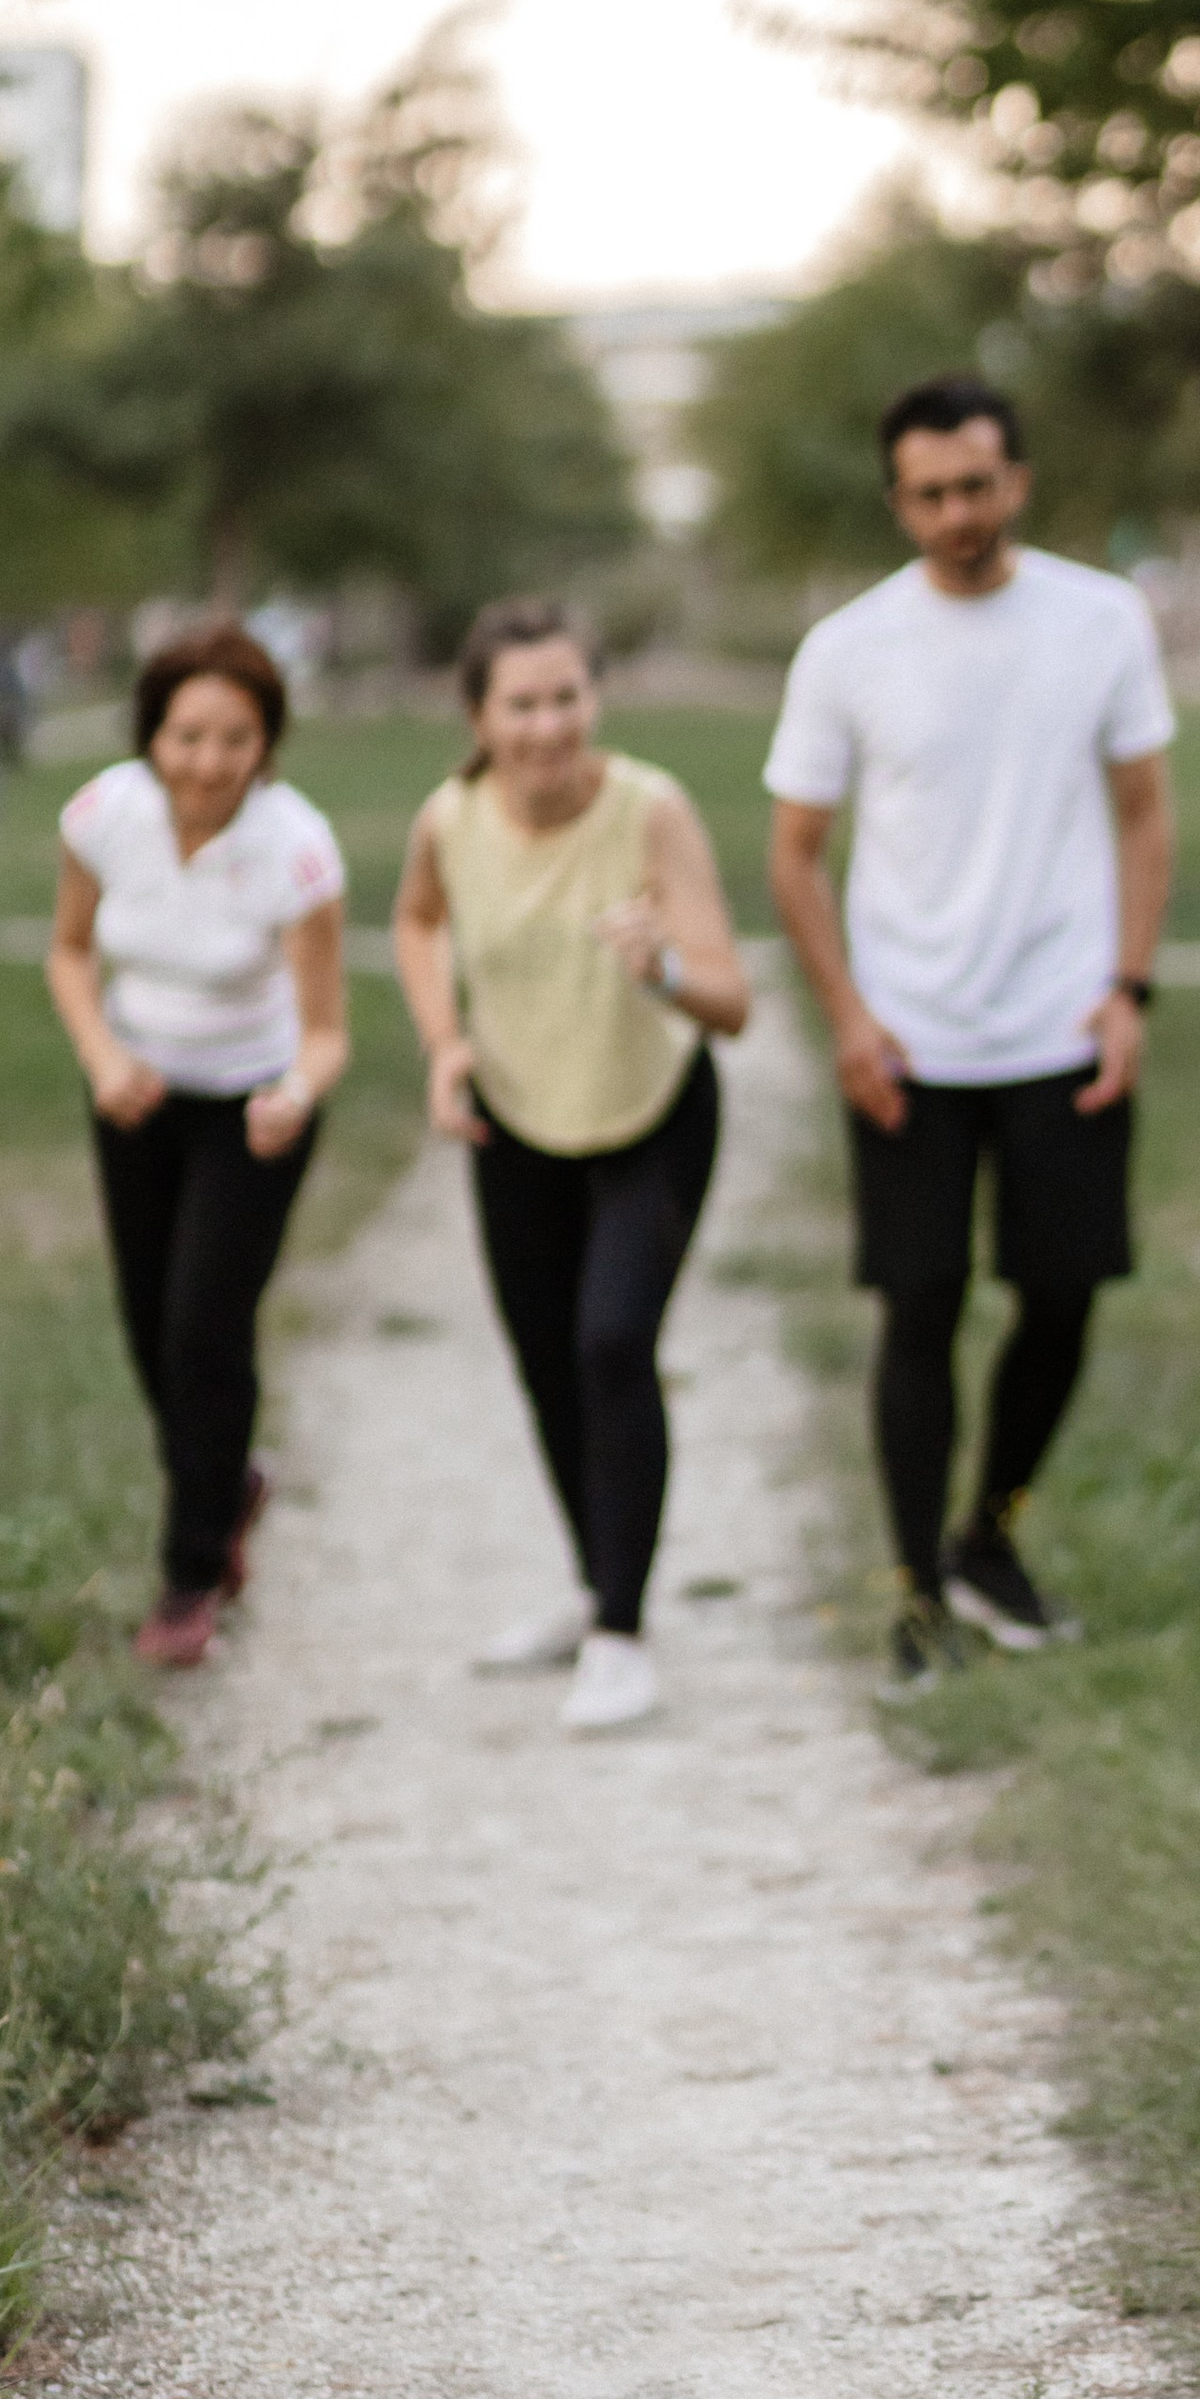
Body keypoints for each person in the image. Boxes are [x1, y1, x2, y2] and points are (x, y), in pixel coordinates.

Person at [765, 374, 1176, 1685]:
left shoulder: (1101, 620)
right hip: (911, 1043)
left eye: (978, 486)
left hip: (1064, 1028)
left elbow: (1145, 811)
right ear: (899, 502)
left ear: (1019, 481)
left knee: (1060, 1299)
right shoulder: (847, 648)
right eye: (932, 493)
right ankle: (914, 1594)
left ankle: (988, 1539)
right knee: (919, 1306)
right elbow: (793, 853)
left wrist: (1128, 990)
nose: (958, 513)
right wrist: (847, 1019)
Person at [393, 601, 748, 1735]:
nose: (547, 725)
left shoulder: (651, 809)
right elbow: (416, 922)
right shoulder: (449, 818)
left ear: (594, 699)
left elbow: (731, 1001)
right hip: (516, 1121)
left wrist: (663, 968)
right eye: (521, 704)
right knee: (548, 1364)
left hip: (651, 1112)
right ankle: (598, 1586)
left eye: (565, 698)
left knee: (611, 1342)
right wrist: (446, 1042)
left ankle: (623, 1638)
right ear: (477, 714)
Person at [47, 623, 350, 1668]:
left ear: (267, 743)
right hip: (136, 1098)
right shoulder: (104, 815)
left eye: (235, 738)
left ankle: (191, 1570)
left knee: (203, 1328)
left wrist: (294, 1094)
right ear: (151, 734)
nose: (209, 761)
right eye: (187, 736)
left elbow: (327, 1031)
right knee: (148, 1330)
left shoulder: (296, 848)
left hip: (253, 1110)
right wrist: (103, 1058)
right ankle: (231, 1482)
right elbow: (70, 952)